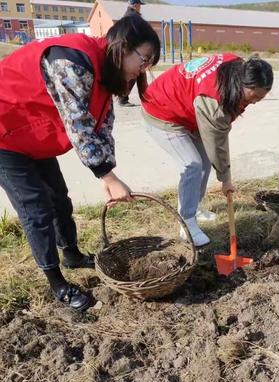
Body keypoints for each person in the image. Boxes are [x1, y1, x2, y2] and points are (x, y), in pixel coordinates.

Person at [0, 15, 160, 311]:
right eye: (144, 58)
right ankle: (57, 284)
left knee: (59, 198)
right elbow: (79, 125)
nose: (145, 67)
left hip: (32, 135)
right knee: (36, 207)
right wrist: (108, 178)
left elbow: (102, 125)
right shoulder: (71, 59)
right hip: (4, 132)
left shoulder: (106, 73)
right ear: (124, 47)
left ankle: (71, 254)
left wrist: (109, 173)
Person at [142, 54, 273, 247]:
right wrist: (225, 179)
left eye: (261, 98)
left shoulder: (238, 67)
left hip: (188, 107)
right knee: (192, 164)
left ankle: (194, 207)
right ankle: (186, 224)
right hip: (162, 111)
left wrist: (223, 173)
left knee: (204, 162)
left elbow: (217, 139)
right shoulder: (215, 102)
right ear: (245, 85)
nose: (254, 102)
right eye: (254, 97)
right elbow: (217, 144)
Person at [118, 0, 146, 107]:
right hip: (132, 51)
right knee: (133, 74)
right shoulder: (132, 17)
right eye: (139, 5)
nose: (140, 7)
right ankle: (123, 98)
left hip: (133, 50)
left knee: (140, 74)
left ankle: (145, 97)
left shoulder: (129, 16)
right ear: (136, 5)